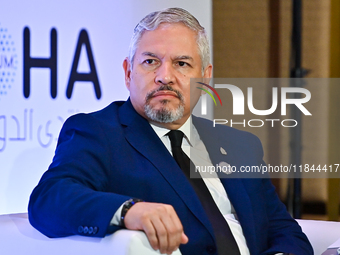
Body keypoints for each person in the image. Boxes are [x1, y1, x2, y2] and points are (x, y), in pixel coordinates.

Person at [28, 7, 313, 255]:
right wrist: (130, 210)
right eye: (150, 62)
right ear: (128, 73)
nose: (165, 76)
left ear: (205, 77)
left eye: (182, 63)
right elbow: (50, 199)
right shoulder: (98, 133)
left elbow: (283, 230)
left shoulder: (240, 145)